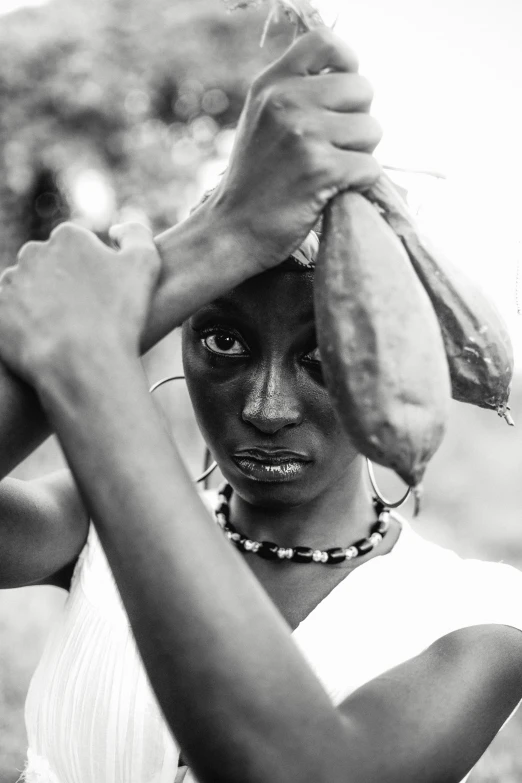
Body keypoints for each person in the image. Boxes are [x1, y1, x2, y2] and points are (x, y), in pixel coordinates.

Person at [0, 28, 522, 783]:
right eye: (221, 342)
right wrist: (214, 241)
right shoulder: (94, 519)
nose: (268, 407)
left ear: (393, 362)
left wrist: (86, 354)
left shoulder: (479, 621)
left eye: (323, 356)